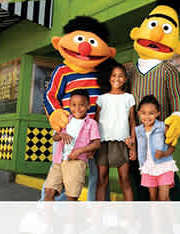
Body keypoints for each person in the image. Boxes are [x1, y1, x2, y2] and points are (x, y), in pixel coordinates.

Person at [41, 16, 116, 201]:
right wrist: (55, 113)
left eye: (91, 42)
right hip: (69, 131)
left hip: (95, 133)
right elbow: (50, 95)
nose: (85, 47)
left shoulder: (103, 73)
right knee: (61, 171)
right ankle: (47, 210)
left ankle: (95, 214)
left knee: (98, 176)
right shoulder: (62, 71)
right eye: (80, 40)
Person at [128, 0, 180, 200]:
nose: (156, 34)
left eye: (165, 29)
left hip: (158, 132)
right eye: (153, 26)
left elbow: (178, 96)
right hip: (135, 134)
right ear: (137, 32)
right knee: (138, 175)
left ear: (177, 45)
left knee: (165, 175)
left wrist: (178, 117)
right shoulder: (131, 72)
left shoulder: (168, 70)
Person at [44, 89, 101, 201]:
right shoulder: (66, 120)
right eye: (74, 105)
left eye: (82, 105)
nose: (77, 108)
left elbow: (97, 143)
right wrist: (61, 135)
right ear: (69, 106)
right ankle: (48, 219)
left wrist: (79, 151)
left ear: (88, 106)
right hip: (59, 161)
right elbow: (55, 137)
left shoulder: (91, 123)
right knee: (49, 191)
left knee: (71, 197)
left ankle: (74, 218)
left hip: (76, 162)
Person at [95, 63, 136, 201]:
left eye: (120, 76)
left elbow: (132, 122)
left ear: (125, 79)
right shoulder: (101, 98)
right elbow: (95, 122)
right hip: (103, 143)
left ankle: (130, 217)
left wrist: (133, 145)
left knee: (125, 179)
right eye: (114, 75)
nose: (117, 78)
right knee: (102, 180)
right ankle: (97, 218)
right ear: (109, 78)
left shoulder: (129, 98)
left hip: (122, 142)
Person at [126, 95, 178, 201]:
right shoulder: (138, 130)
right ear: (139, 113)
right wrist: (129, 144)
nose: (147, 117)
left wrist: (164, 154)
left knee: (163, 198)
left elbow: (172, 148)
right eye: (143, 113)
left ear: (157, 114)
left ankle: (171, 217)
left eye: (151, 113)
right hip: (148, 168)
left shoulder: (163, 127)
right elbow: (135, 147)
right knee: (153, 199)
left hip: (164, 167)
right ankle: (155, 218)